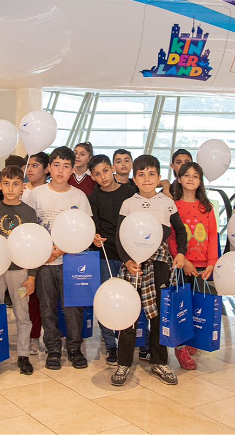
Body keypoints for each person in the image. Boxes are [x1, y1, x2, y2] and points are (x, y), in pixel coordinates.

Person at [112, 155, 188, 387]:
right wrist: (127, 261)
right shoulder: (128, 203)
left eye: (151, 174)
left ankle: (159, 362)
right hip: (134, 265)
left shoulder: (166, 202)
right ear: (134, 179)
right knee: (130, 314)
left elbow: (180, 230)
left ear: (158, 177)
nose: (146, 179)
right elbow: (119, 236)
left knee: (158, 316)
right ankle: (124, 363)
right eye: (141, 174)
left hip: (160, 265)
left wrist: (181, 253)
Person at [26, 146, 92, 370]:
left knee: (73, 308)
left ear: (73, 169)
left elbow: (85, 230)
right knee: (47, 307)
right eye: (56, 165)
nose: (61, 171)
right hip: (44, 263)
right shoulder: (37, 194)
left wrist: (61, 249)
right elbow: (30, 227)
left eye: (66, 166)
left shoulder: (79, 196)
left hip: (71, 262)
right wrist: (44, 251)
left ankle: (74, 348)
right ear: (49, 168)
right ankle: (53, 348)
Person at [0, 165, 37, 378]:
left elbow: (35, 247)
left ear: (23, 187)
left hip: (20, 271)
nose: (11, 188)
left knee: (22, 313)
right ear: (0, 186)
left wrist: (31, 276)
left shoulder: (29, 213)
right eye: (6, 184)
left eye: (15, 184)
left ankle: (23, 355)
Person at [168, 161, 218, 370]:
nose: (190, 178)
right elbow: (171, 237)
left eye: (195, 175)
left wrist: (212, 263)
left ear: (200, 181)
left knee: (198, 307)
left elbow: (213, 236)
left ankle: (192, 340)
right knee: (181, 307)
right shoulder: (173, 206)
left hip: (203, 267)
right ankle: (180, 347)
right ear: (179, 179)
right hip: (182, 265)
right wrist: (183, 261)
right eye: (186, 175)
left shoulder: (207, 208)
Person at [88, 154, 136, 366]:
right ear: (92, 177)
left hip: (129, 255)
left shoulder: (129, 192)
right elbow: (94, 227)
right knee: (106, 300)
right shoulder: (94, 198)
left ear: (112, 169)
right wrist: (95, 237)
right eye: (97, 174)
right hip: (104, 256)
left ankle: (130, 342)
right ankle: (111, 345)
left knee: (129, 299)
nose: (103, 177)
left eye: (105, 171)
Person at [21, 151, 49, 354]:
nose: (30, 169)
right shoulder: (20, 190)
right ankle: (30, 336)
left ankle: (44, 335)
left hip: (47, 252)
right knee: (26, 296)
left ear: (46, 169)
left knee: (43, 298)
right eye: (28, 166)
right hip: (24, 251)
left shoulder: (49, 191)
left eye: (35, 165)